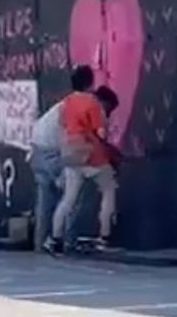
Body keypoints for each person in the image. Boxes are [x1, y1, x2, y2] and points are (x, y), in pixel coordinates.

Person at [48, 84, 121, 253]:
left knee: (68, 199)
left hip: (73, 156)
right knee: (109, 190)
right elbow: (101, 136)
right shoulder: (96, 107)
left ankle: (55, 238)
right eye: (110, 108)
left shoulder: (68, 103)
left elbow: (63, 129)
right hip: (93, 158)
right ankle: (104, 236)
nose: (109, 113)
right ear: (105, 101)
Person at [28, 65, 95, 250]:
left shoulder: (66, 104)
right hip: (52, 152)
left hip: (37, 148)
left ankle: (41, 244)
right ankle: (67, 242)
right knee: (73, 193)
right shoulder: (78, 107)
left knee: (45, 199)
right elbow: (67, 140)